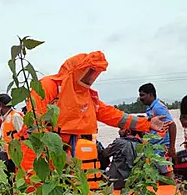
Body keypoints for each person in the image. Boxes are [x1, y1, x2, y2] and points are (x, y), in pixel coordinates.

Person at [23, 51, 166, 182]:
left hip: (68, 152)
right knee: (34, 192)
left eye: (95, 73)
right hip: (37, 151)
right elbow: (34, 125)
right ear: (78, 70)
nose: (92, 77)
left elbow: (114, 116)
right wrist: (58, 152)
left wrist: (146, 123)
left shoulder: (87, 96)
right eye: (90, 71)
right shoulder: (48, 87)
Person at [138, 83, 177, 175]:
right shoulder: (150, 108)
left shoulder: (158, 107)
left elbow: (172, 125)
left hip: (163, 149)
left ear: (150, 95)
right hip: (155, 148)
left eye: (142, 95)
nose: (140, 98)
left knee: (167, 176)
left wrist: (172, 147)